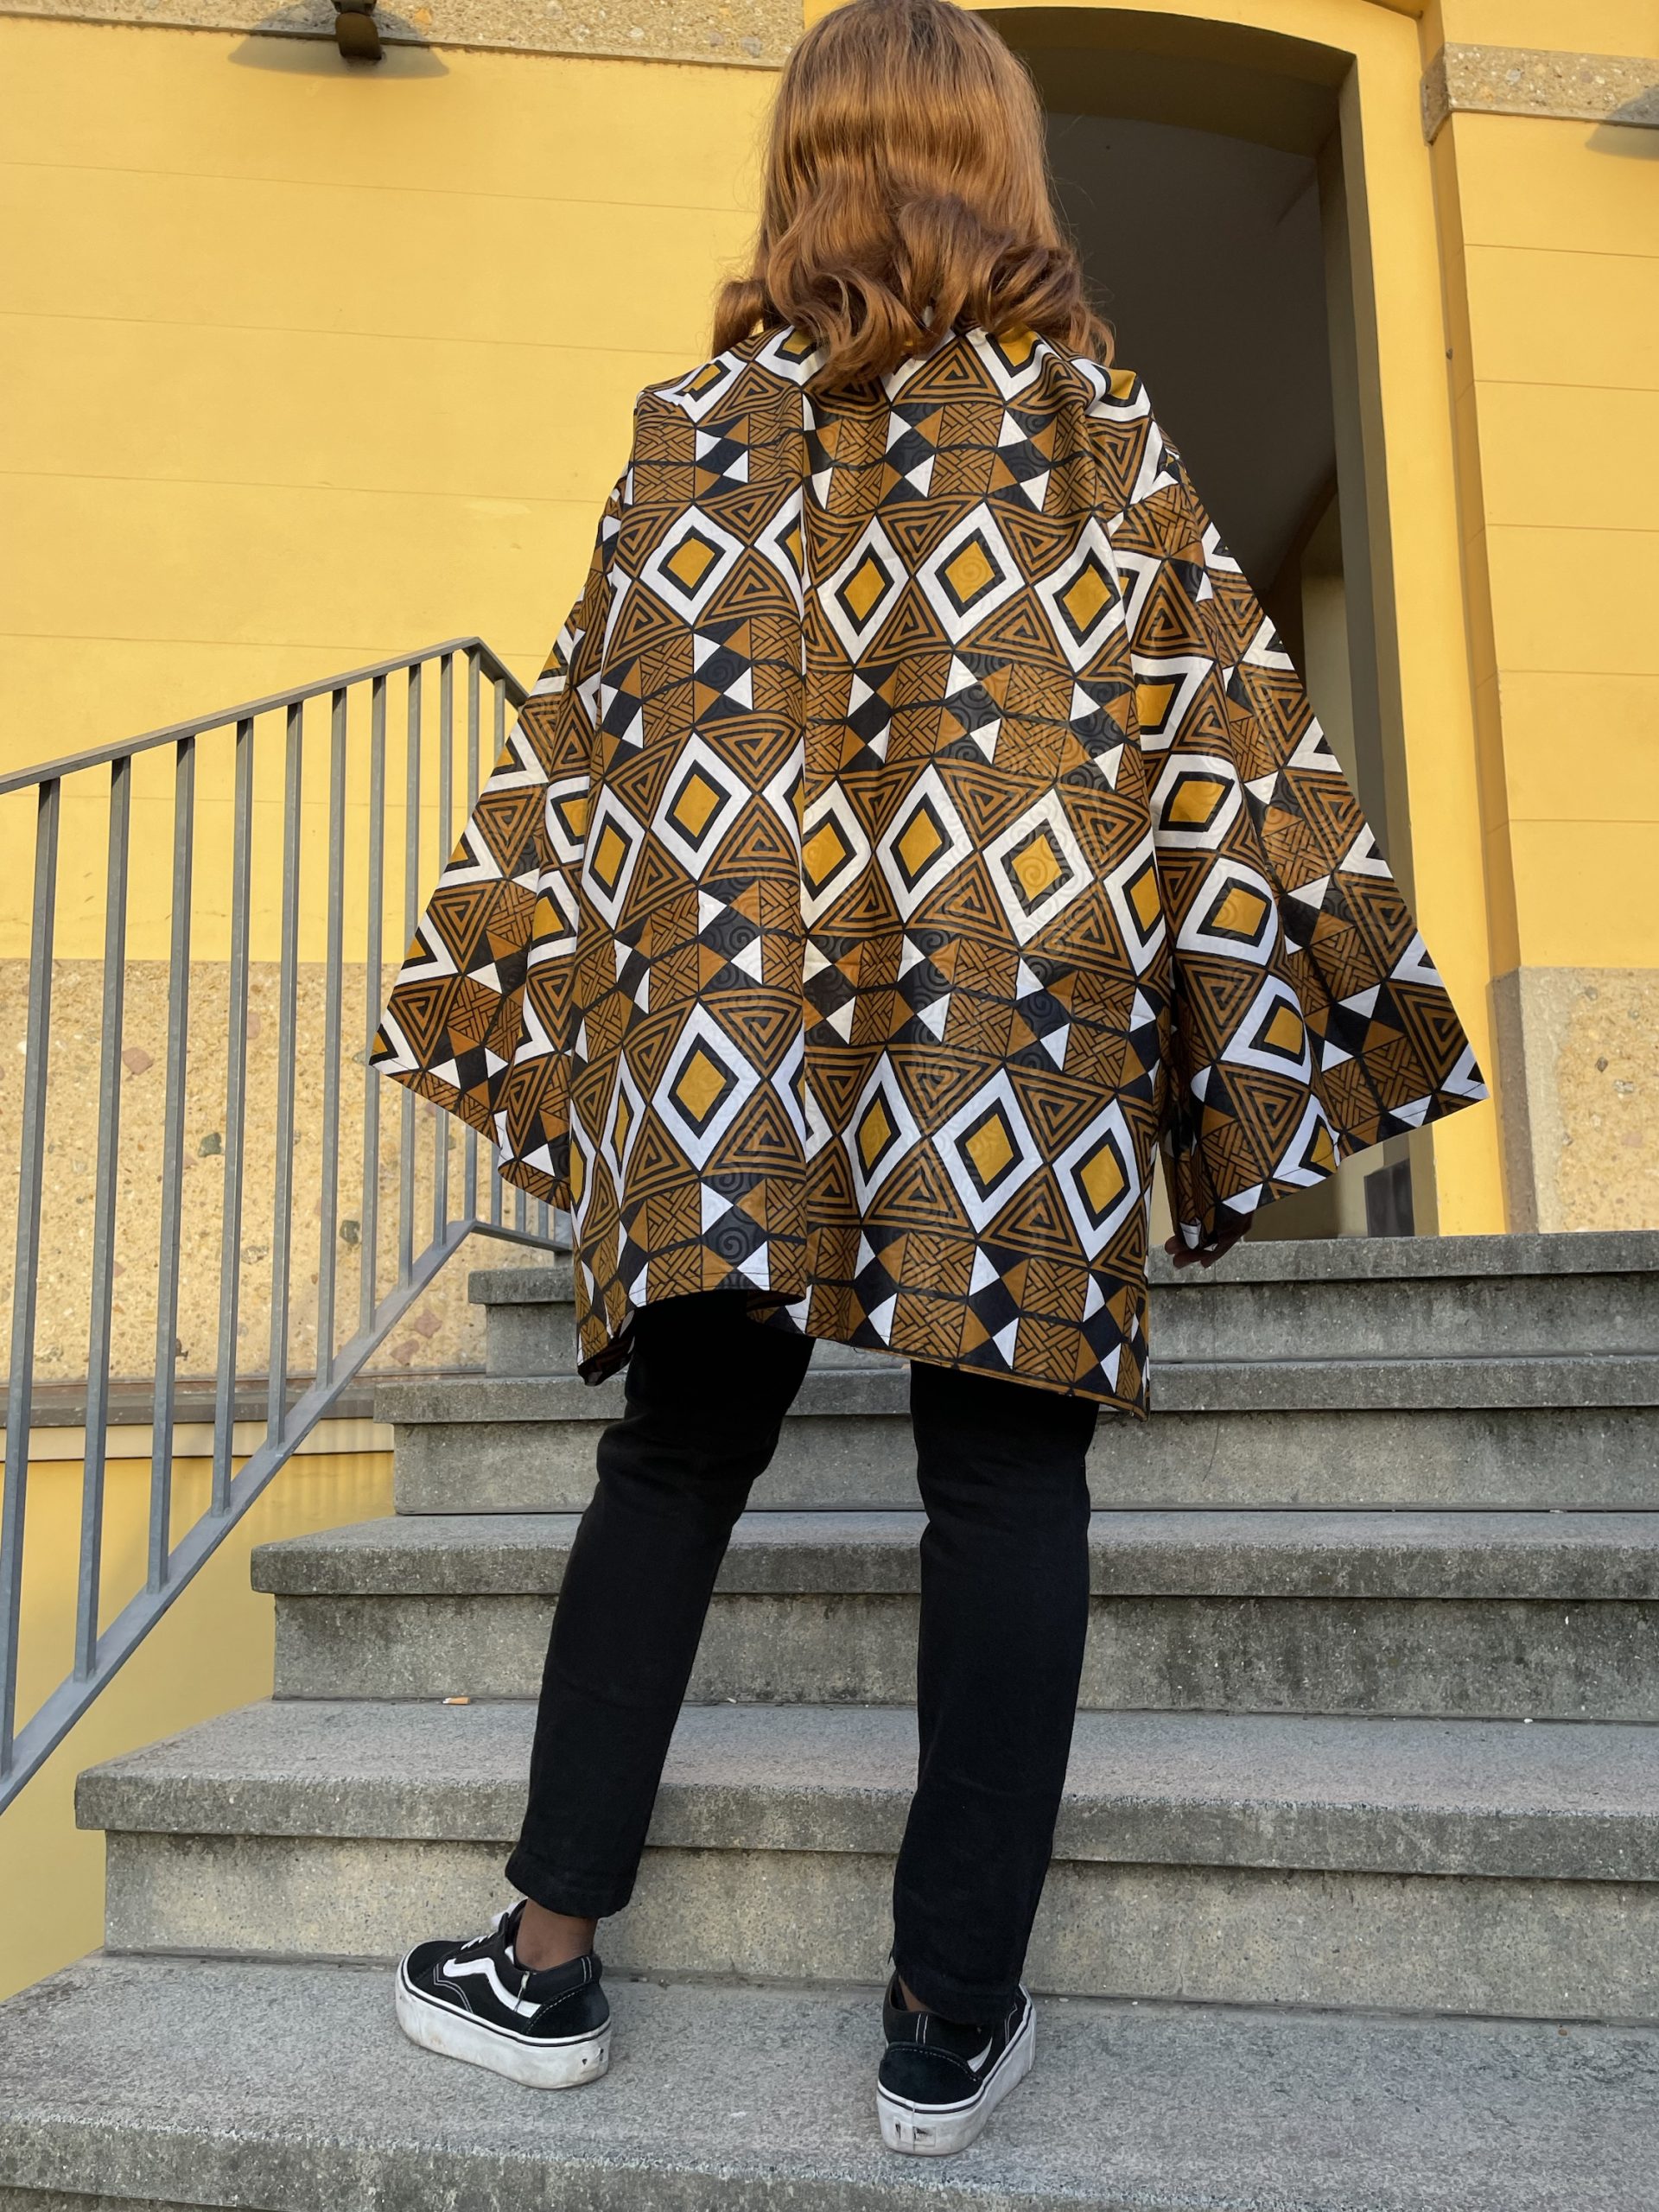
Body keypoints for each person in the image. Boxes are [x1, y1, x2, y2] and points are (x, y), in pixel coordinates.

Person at [371, 0, 1485, 2157]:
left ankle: (544, 1956)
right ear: (1006, 165)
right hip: (1021, 1008)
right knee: (1009, 1480)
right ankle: (944, 2018)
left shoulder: (697, 434)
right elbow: (1222, 742)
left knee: (673, 1458)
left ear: (803, 168)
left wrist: (560, 1012)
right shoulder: (1094, 435)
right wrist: (1295, 1014)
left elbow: (597, 765)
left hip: (739, 1021)